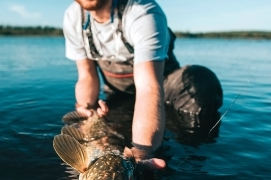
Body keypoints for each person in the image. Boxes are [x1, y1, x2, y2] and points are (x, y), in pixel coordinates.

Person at [63, 0, 223, 169]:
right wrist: (86, 109)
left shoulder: (142, 11)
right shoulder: (74, 17)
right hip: (119, 93)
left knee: (202, 84)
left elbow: (148, 87)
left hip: (159, 84)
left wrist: (142, 153)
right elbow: (87, 75)